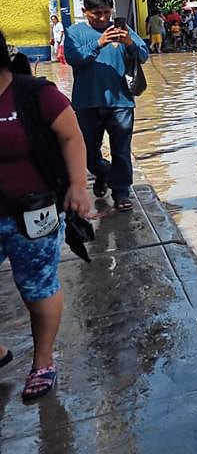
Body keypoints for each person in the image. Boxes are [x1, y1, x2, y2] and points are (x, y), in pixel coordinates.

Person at [0, 28, 92, 403]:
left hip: (31, 213)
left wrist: (77, 186)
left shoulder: (35, 95)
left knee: (38, 285)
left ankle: (42, 361)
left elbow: (73, 137)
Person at [64, 0, 149, 213]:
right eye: (97, 14)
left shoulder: (123, 30)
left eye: (107, 13)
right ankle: (102, 173)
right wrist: (99, 43)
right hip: (86, 103)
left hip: (121, 102)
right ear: (85, 12)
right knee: (89, 154)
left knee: (121, 150)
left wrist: (129, 42)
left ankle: (121, 192)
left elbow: (144, 55)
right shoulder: (74, 32)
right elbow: (73, 59)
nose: (103, 18)